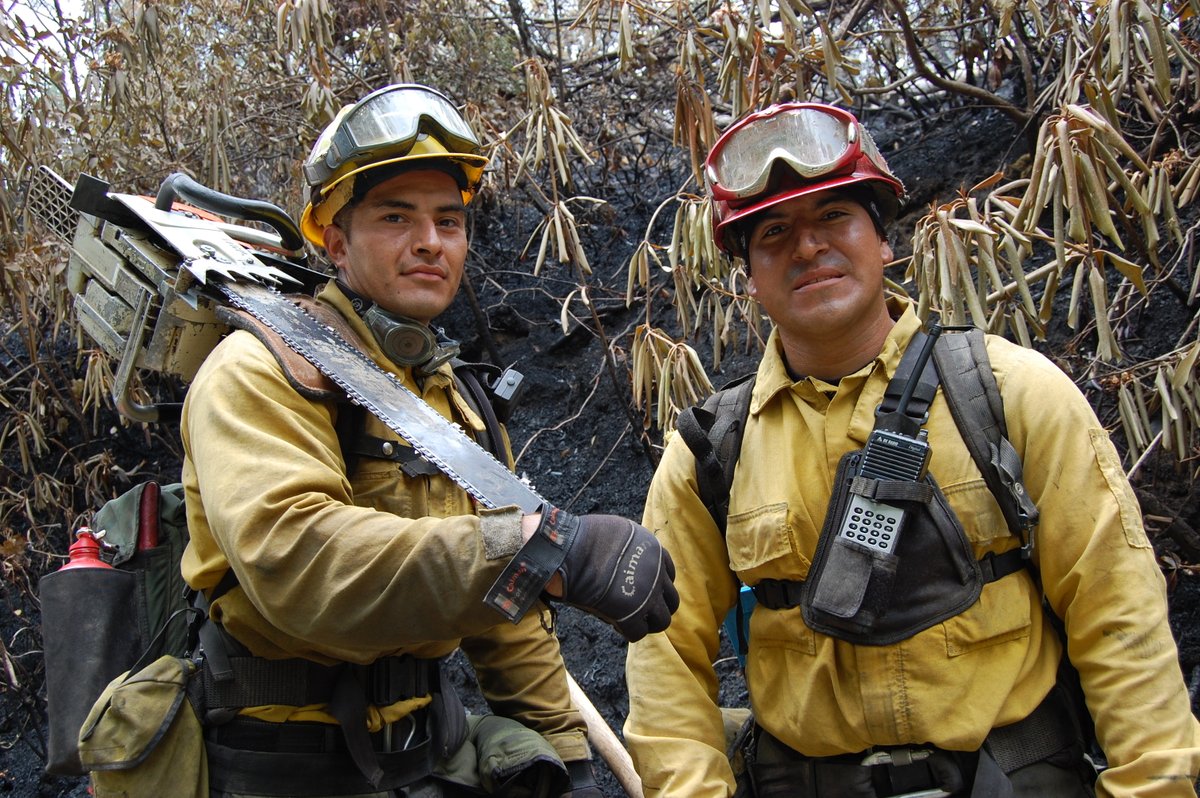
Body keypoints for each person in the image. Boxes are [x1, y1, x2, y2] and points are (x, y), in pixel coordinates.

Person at [624, 101, 1200, 797]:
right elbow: (665, 658)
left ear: (883, 240)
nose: (807, 247)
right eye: (772, 233)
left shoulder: (1009, 394)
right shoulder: (710, 451)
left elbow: (1117, 610)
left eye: (833, 216)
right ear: (748, 274)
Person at [180, 83, 677, 797]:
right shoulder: (262, 369)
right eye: (396, 217)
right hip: (283, 763)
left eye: (449, 220)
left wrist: (567, 756)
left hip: (426, 755)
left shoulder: (448, 395)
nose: (430, 242)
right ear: (335, 239)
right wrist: (549, 546)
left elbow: (504, 604)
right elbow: (298, 561)